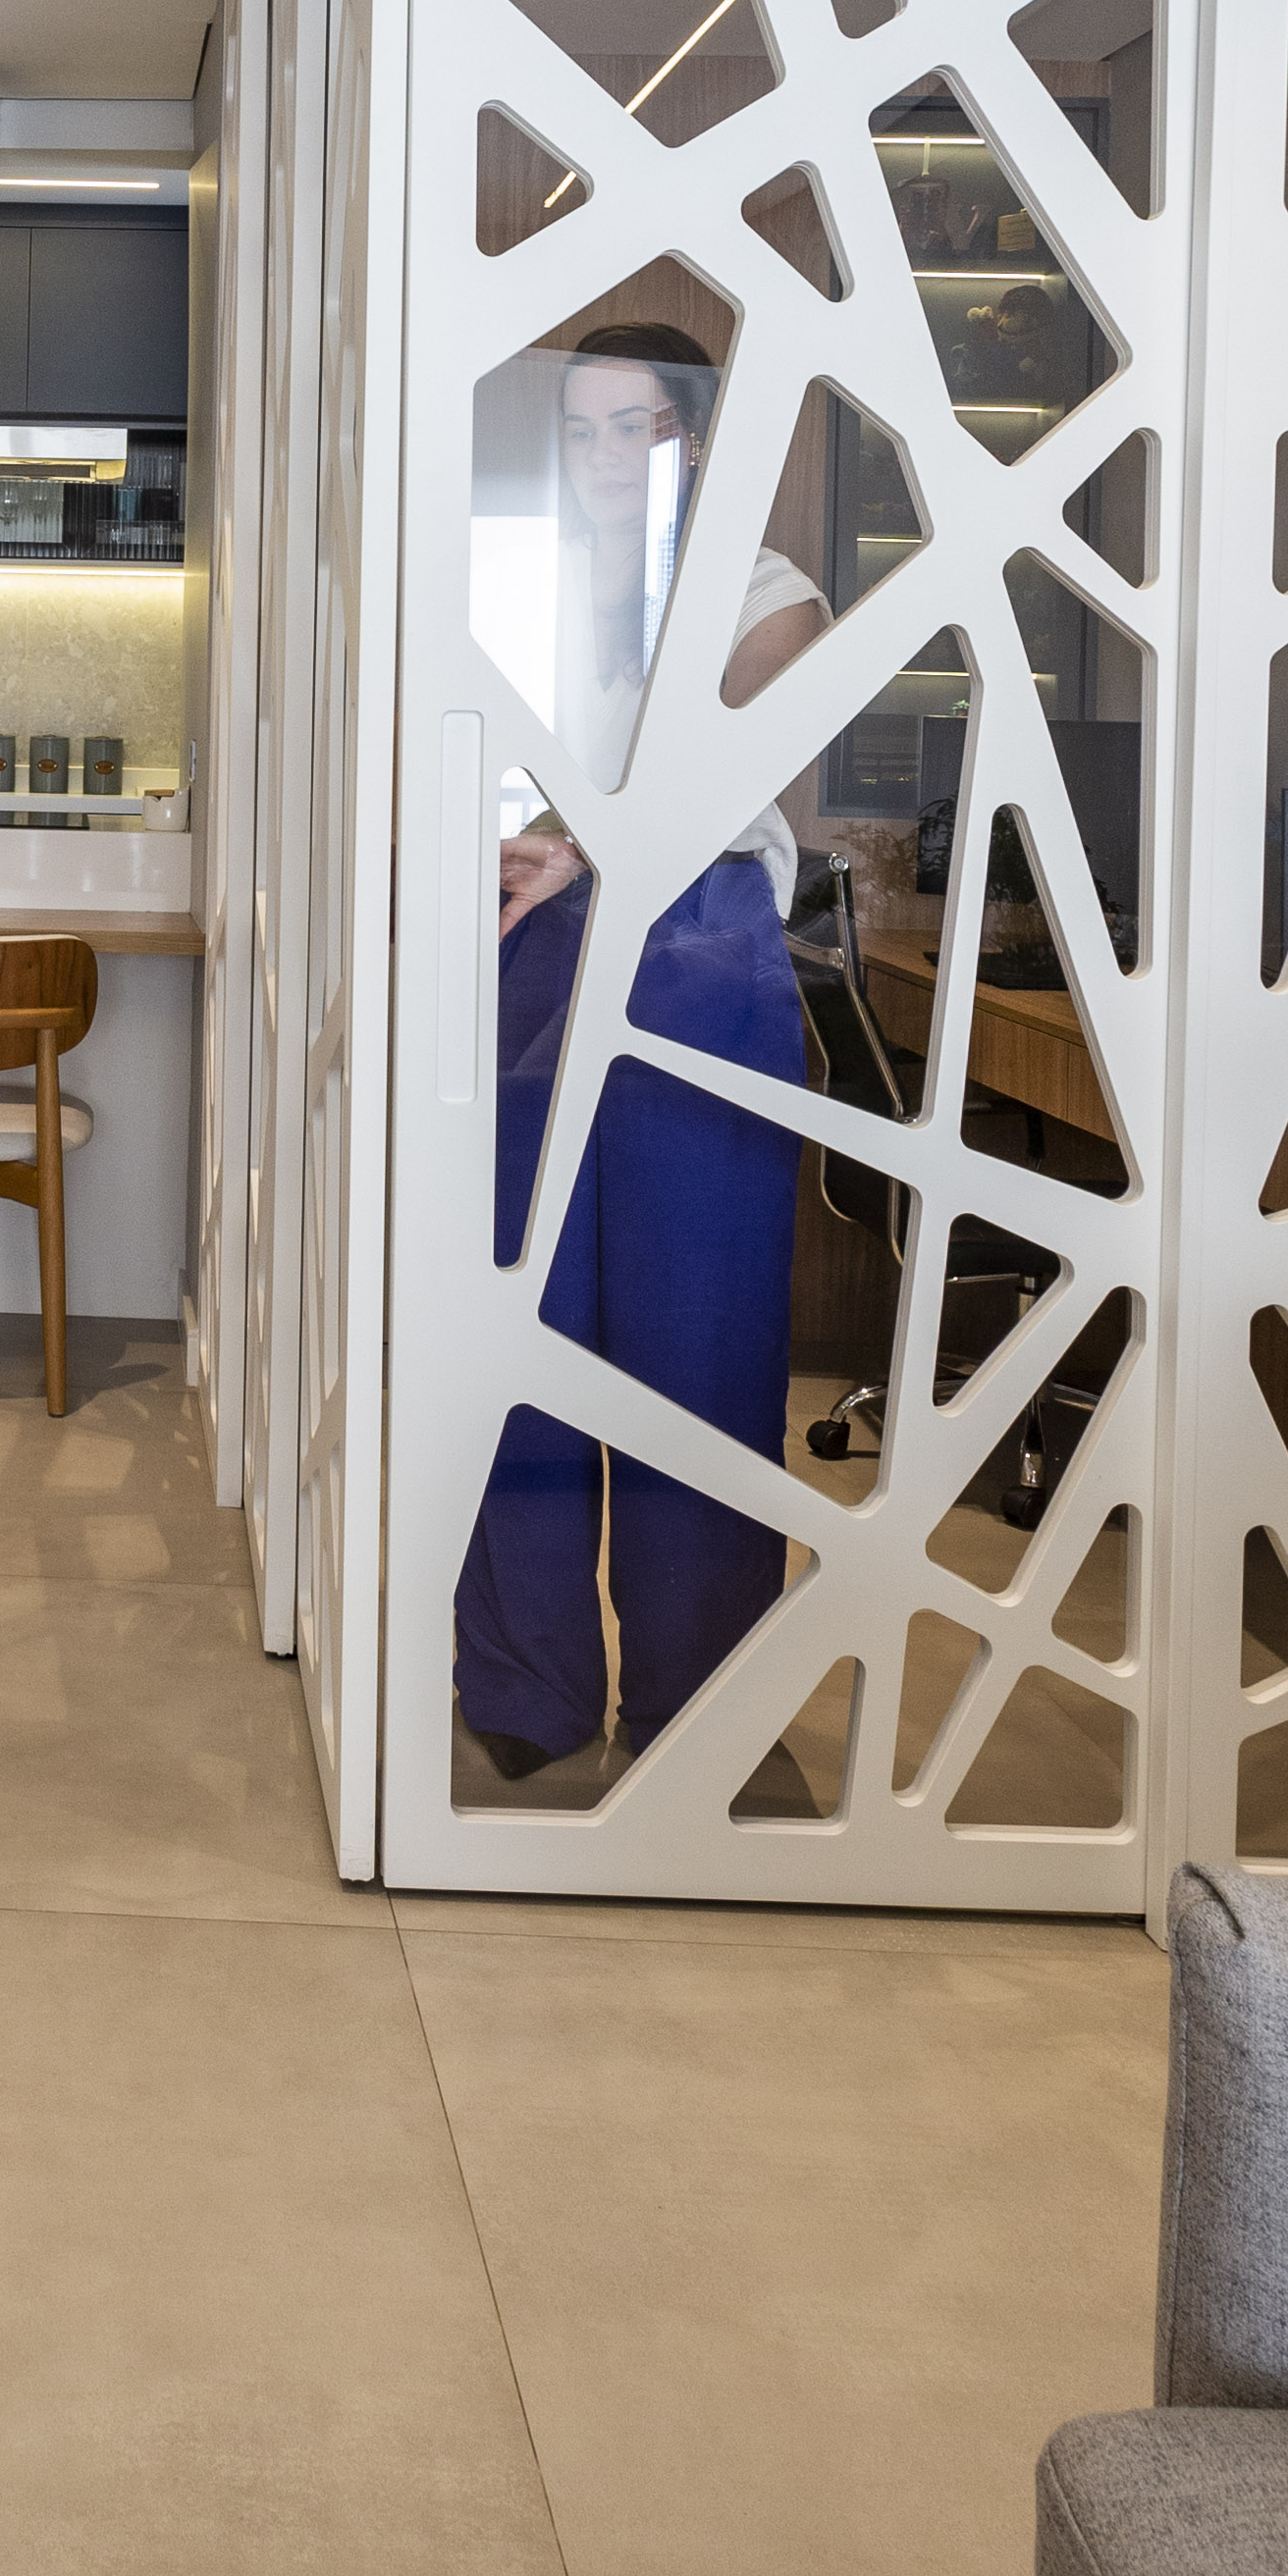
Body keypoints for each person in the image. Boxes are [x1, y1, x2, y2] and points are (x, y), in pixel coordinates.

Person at [456, 325, 829, 1785]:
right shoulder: (532, 592)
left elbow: (726, 753)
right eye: (584, 430)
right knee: (527, 1332)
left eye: (640, 428)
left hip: (700, 954)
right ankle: (526, 1684)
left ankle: (701, 1703)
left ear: (698, 443)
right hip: (540, 948)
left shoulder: (765, 594)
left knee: (700, 1347)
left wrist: (578, 836)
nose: (607, 458)